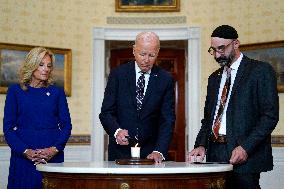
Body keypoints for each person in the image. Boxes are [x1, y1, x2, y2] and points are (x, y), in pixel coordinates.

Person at [187, 25, 279, 189]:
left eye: (221, 48)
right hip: (215, 153)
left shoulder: (260, 71)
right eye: (213, 50)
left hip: (245, 155)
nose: (217, 54)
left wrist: (245, 147)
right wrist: (200, 145)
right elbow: (208, 119)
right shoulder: (214, 78)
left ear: (236, 44)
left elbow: (269, 116)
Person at [99, 31, 175, 163]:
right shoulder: (118, 75)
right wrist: (117, 131)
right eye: (142, 54)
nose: (146, 60)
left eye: (151, 55)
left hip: (152, 153)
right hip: (120, 152)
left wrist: (159, 150)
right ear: (134, 50)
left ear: (157, 52)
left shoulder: (165, 79)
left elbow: (167, 120)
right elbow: (106, 113)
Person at [3, 47, 72, 189]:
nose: (46, 69)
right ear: (31, 65)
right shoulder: (15, 91)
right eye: (41, 65)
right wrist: (25, 151)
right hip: (23, 157)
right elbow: (8, 128)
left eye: (49, 66)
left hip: (52, 157)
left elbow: (66, 125)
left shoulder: (57, 92)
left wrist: (54, 149)